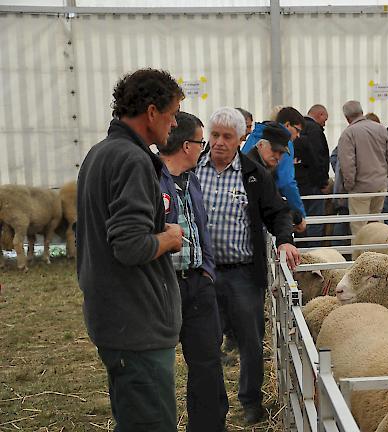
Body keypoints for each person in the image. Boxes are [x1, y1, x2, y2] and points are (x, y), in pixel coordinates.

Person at [76, 68, 184, 431]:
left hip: (116, 317)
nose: (174, 124)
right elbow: (129, 244)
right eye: (171, 115)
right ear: (152, 112)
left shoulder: (99, 154)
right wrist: (169, 238)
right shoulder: (133, 160)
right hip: (136, 322)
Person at [196, 107, 300, 425]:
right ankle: (211, 406)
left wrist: (284, 238)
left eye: (228, 137)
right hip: (202, 273)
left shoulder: (253, 174)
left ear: (242, 138)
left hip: (242, 272)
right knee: (204, 343)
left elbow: (278, 211)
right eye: (215, 135)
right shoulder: (190, 170)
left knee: (251, 341)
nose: (220, 142)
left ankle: (251, 401)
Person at [158, 112, 228, 431]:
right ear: (187, 146)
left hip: (197, 283)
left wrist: (207, 270)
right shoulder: (150, 180)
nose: (204, 148)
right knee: (157, 366)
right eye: (201, 142)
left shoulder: (190, 179)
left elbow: (202, 227)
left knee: (207, 364)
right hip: (162, 287)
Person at [242, 106, 307, 233]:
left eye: (281, 153)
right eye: (297, 130)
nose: (298, 135)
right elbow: (286, 182)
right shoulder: (285, 142)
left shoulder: (255, 136)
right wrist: (299, 215)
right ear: (287, 125)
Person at [337, 100, 388, 235]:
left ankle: (361, 255)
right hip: (380, 185)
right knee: (376, 226)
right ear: (361, 112)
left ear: (347, 117)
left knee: (359, 229)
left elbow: (347, 164)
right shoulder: (381, 129)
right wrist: (387, 178)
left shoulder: (348, 134)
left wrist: (349, 185)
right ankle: (378, 254)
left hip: (360, 188)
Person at [294, 104, 330, 247]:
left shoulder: (299, 129)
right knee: (315, 220)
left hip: (297, 184)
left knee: (298, 219)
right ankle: (314, 253)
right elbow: (318, 159)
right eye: (325, 119)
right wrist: (322, 182)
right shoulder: (315, 130)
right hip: (312, 185)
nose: (325, 123)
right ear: (320, 114)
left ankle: (300, 249)